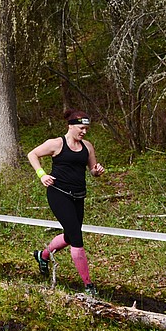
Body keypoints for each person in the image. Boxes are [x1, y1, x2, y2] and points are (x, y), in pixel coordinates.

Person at [27, 108, 106, 297]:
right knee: (77, 238)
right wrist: (42, 174)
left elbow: (92, 170)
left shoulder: (87, 146)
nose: (84, 132)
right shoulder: (56, 144)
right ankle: (88, 286)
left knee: (70, 237)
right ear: (71, 126)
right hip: (58, 194)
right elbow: (32, 155)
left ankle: (43, 255)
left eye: (86, 129)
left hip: (78, 196)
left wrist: (97, 171)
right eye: (81, 128)